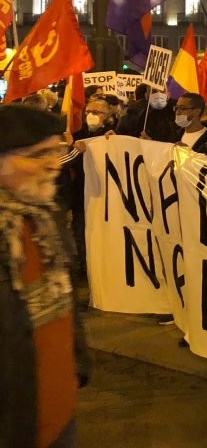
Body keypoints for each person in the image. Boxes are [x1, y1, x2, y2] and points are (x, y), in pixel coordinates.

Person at [0, 106, 90, 448]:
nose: (54, 164)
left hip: (60, 412)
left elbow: (65, 304)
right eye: (38, 155)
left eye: (56, 151)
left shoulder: (45, 218)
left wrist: (78, 366)